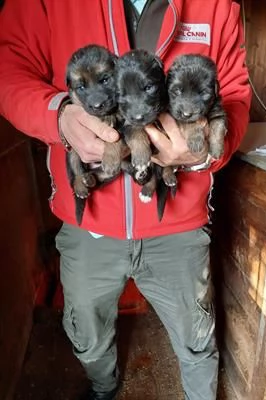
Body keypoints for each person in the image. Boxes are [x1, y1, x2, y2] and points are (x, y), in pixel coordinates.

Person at [0, 1, 251, 399]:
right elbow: (8, 67)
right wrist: (58, 116)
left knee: (196, 337)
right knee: (86, 332)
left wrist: (205, 153)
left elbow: (236, 93)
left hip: (179, 220)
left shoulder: (218, 4)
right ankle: (103, 385)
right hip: (90, 219)